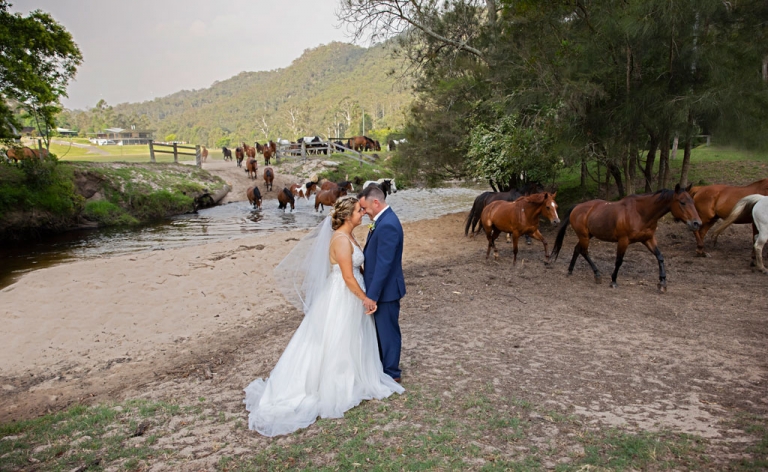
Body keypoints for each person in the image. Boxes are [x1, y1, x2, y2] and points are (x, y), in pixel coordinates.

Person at [244, 196, 404, 437]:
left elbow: (357, 268)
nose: (363, 214)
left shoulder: (349, 235)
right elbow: (347, 278)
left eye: (363, 210)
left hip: (350, 294)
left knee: (353, 336)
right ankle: (336, 384)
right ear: (348, 215)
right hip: (343, 295)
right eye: (359, 211)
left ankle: (357, 375)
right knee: (337, 338)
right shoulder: (340, 239)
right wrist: (365, 297)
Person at [358, 185, 406, 383]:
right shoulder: (383, 220)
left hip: (386, 291)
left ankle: (392, 373)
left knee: (388, 332)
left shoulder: (387, 224)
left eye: (365, 208)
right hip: (382, 288)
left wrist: (372, 295)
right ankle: (384, 367)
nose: (364, 212)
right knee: (382, 331)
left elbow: (384, 264)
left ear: (375, 203)